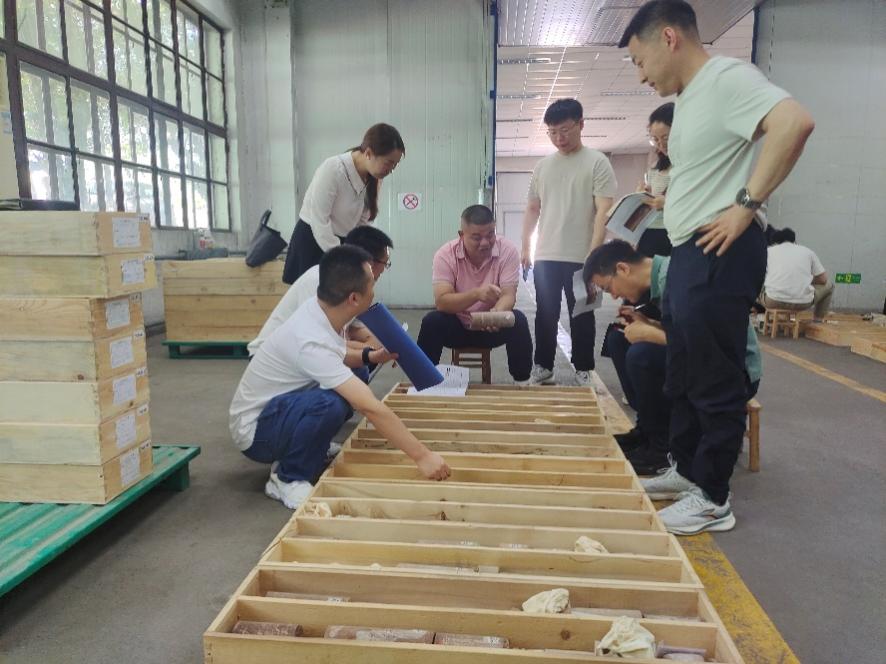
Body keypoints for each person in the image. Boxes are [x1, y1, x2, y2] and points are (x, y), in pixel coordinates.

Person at [620, 0, 814, 533]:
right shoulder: (690, 99)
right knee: (683, 372)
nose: (641, 77)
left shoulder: (727, 78)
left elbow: (794, 123)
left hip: (720, 251)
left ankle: (712, 497)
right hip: (690, 250)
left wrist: (745, 205)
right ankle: (687, 471)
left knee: (713, 375)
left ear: (669, 38)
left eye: (639, 62)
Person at [230, 245, 451, 509]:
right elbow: (368, 405)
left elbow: (339, 353)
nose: (375, 290)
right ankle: (287, 477)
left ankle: (312, 446)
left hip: (280, 408)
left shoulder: (320, 309)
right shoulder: (309, 340)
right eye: (372, 284)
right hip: (257, 434)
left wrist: (372, 356)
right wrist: (422, 456)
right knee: (329, 404)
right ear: (354, 298)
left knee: (356, 372)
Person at [584, 240, 761, 479]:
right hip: (707, 359)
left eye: (609, 288)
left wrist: (651, 334)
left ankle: (663, 449)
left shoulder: (681, 279)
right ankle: (648, 430)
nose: (614, 296)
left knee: (642, 355)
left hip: (733, 371)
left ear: (623, 269)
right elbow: (685, 330)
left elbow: (708, 342)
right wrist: (649, 323)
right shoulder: (663, 280)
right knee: (619, 340)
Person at [521, 98, 617, 386]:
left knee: (583, 315)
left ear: (581, 124)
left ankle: (584, 369)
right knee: (545, 314)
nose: (559, 138)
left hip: (583, 256)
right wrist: (526, 247)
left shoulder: (597, 162)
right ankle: (543, 366)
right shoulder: (542, 166)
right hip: (546, 255)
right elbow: (532, 209)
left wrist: (594, 254)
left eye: (564, 130)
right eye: (552, 132)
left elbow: (603, 211)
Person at [417, 205, 532, 384]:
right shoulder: (445, 255)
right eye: (476, 237)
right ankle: (423, 382)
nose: (485, 242)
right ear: (461, 235)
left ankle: (522, 382)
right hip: (457, 327)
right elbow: (442, 302)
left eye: (490, 235)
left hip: (491, 328)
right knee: (431, 322)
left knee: (518, 321)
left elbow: (508, 295)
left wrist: (495, 314)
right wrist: (476, 294)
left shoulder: (507, 251)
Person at [282, 123, 405, 284]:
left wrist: (356, 252)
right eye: (388, 162)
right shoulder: (333, 168)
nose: (391, 169)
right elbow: (319, 220)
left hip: (342, 244)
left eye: (395, 165)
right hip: (313, 240)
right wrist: (342, 256)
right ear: (368, 153)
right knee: (312, 295)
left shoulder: (374, 178)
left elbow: (363, 223)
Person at [249, 226, 394, 356]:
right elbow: (317, 342)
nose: (384, 270)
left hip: (304, 352)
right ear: (370, 262)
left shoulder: (355, 285)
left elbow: (355, 329)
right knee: (362, 359)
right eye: (385, 263)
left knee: (366, 358)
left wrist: (378, 343)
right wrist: (370, 350)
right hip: (272, 357)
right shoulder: (320, 280)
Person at [762, 227, 833, 322]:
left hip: (773, 301)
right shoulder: (808, 252)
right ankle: (817, 320)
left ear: (776, 242)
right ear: (794, 241)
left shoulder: (768, 251)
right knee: (829, 285)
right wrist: (806, 280)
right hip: (802, 303)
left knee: (755, 283)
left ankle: (752, 315)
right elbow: (823, 279)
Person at [636, 102, 674, 258]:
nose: (661, 145)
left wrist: (667, 203)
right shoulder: (655, 168)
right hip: (650, 230)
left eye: (666, 138)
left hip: (673, 232)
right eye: (656, 140)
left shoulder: (690, 166)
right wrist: (644, 195)